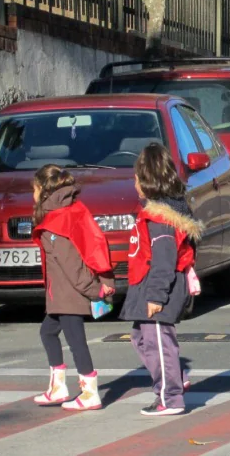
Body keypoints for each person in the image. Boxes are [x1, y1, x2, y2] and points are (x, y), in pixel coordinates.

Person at [120, 143, 202, 417]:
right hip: (147, 286)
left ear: (145, 182)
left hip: (157, 289)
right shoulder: (157, 213)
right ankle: (175, 376)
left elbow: (164, 263)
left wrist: (156, 296)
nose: (133, 184)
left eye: (136, 178)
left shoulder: (160, 220)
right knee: (140, 339)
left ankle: (170, 396)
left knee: (158, 341)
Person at [31, 166, 114, 411]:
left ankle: (89, 392)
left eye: (34, 190)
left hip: (70, 294)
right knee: (48, 332)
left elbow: (71, 265)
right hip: (62, 295)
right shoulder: (70, 211)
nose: (32, 195)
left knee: (76, 341)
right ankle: (59, 388)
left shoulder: (54, 225)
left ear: (44, 191)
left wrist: (94, 290)